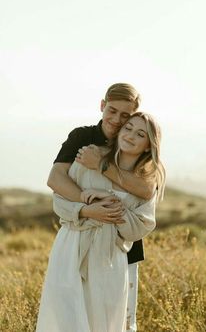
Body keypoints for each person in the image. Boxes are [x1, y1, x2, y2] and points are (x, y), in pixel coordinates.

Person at [36, 112, 166, 332]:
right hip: (71, 247)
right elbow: (59, 202)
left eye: (140, 133)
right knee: (64, 319)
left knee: (103, 322)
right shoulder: (90, 159)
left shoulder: (144, 180)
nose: (131, 135)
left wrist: (108, 204)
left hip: (110, 259)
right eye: (128, 128)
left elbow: (140, 226)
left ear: (148, 145)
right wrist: (86, 209)